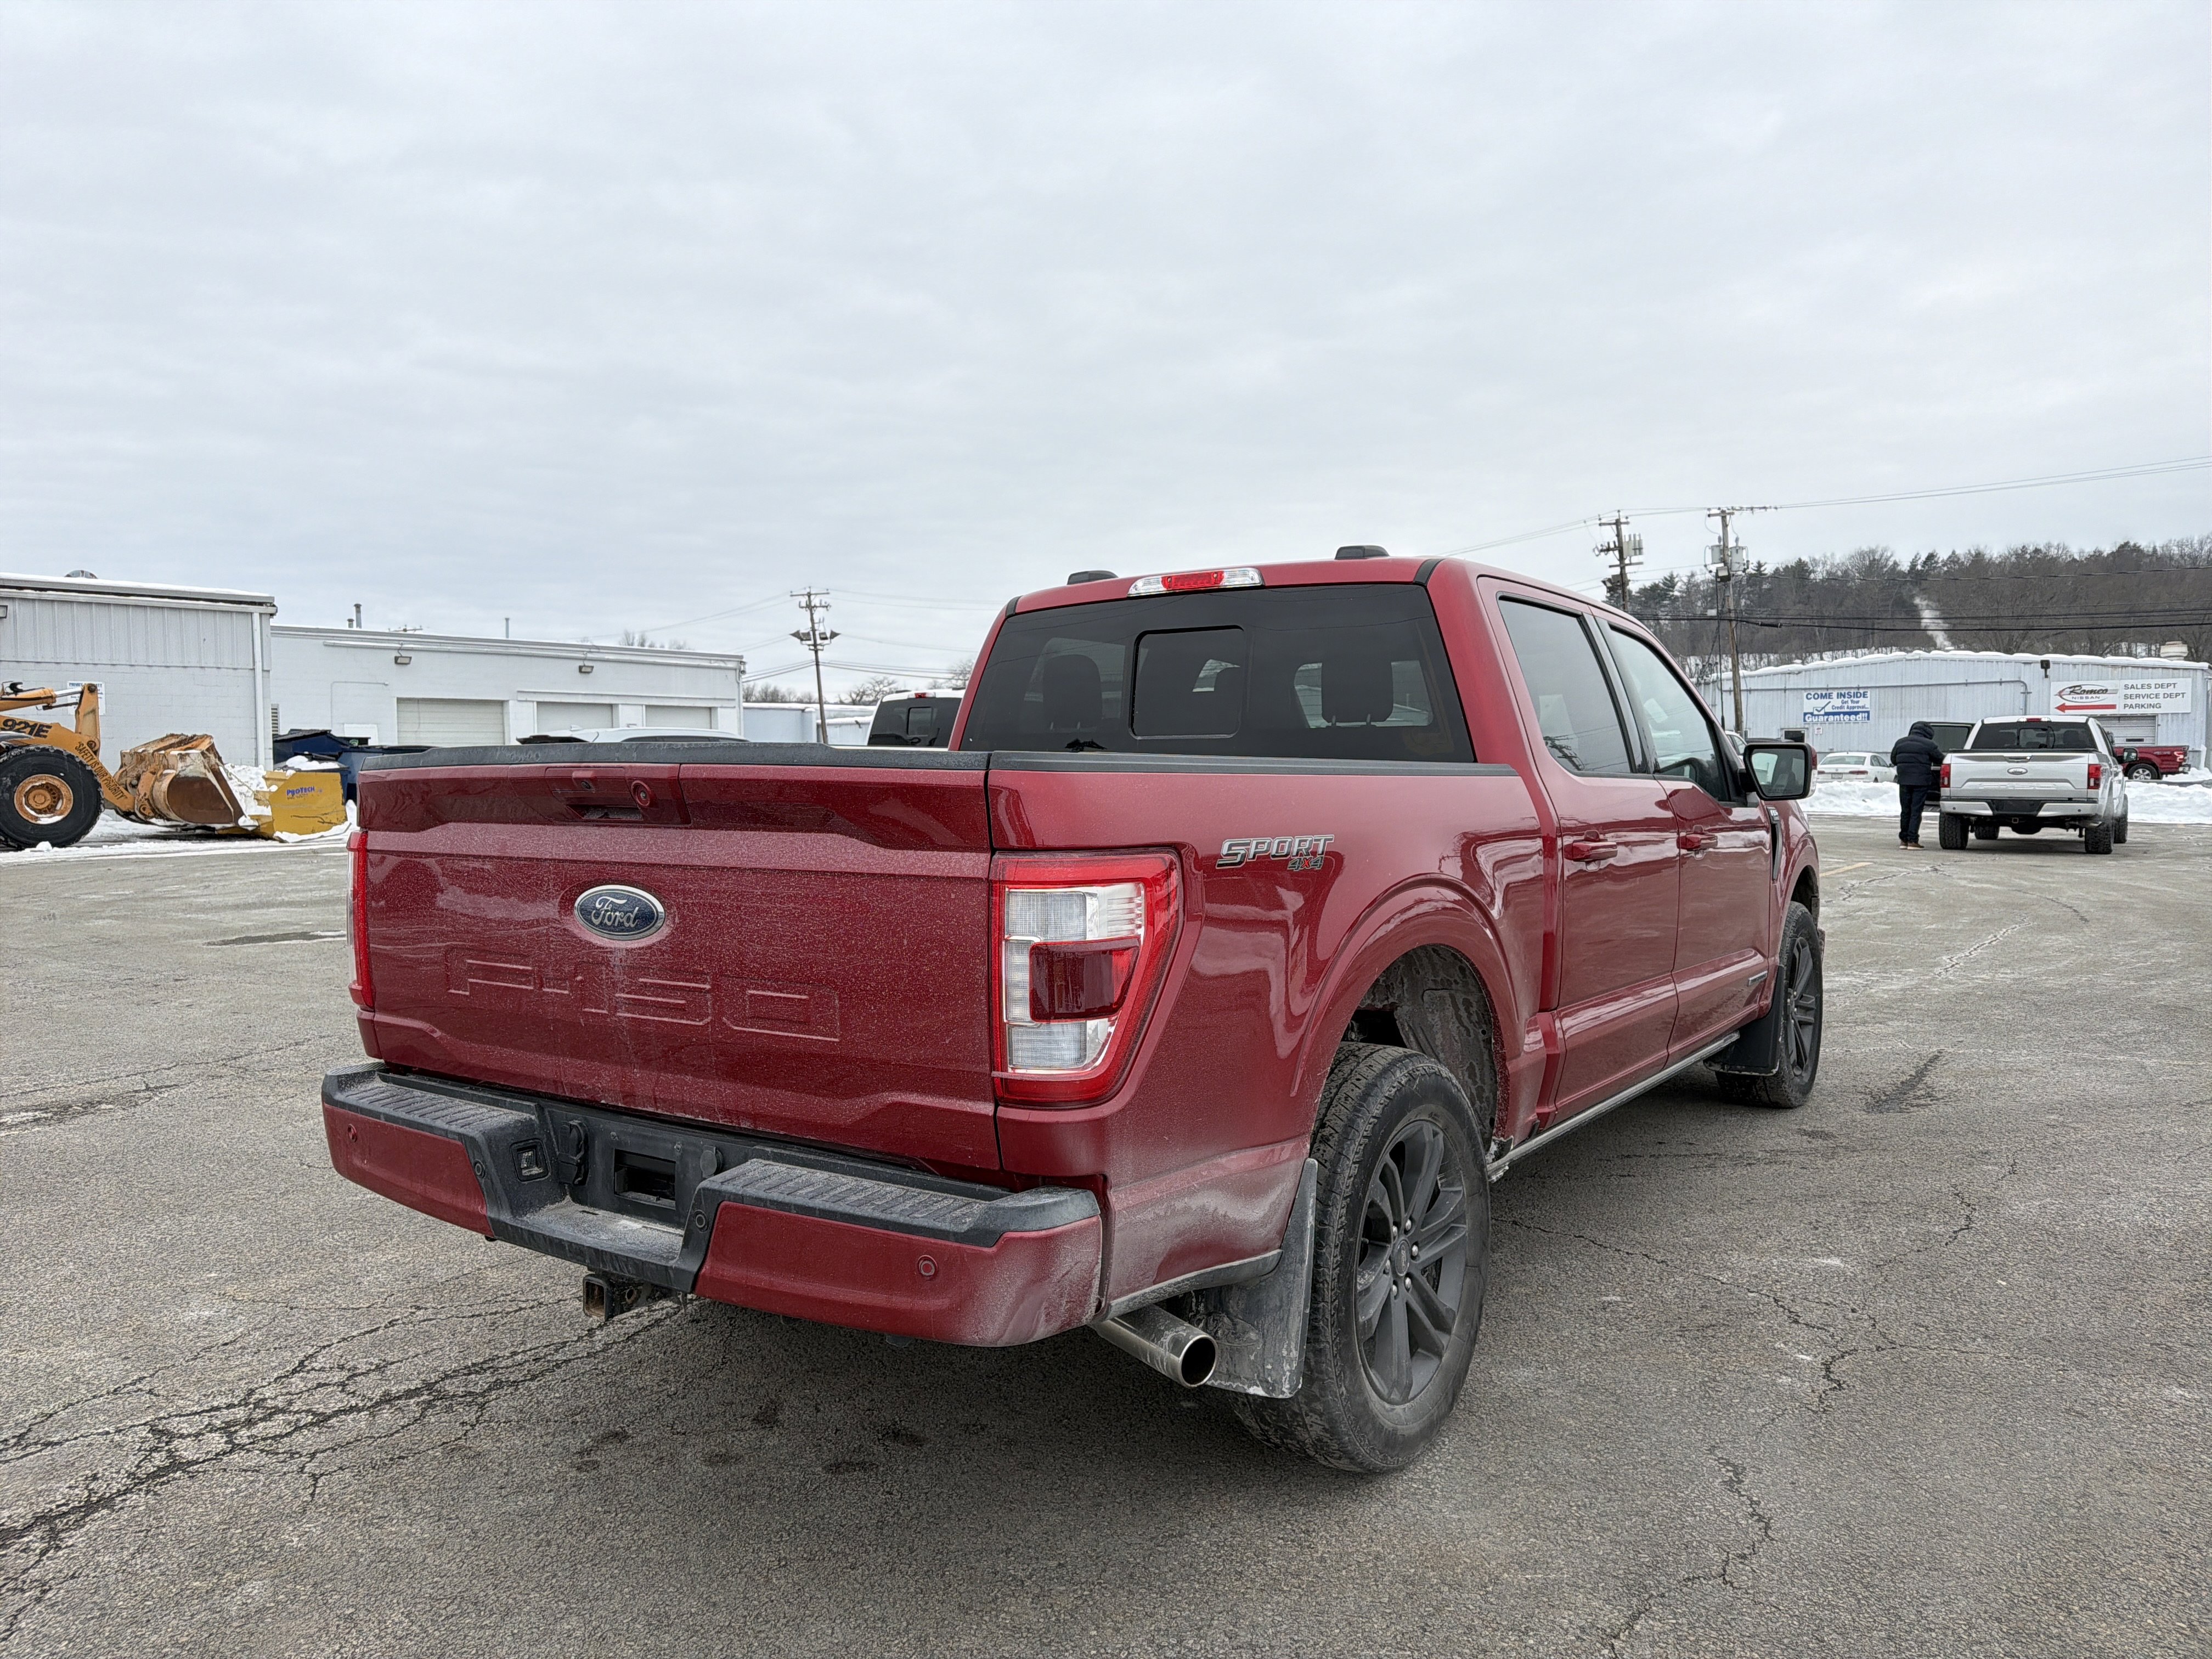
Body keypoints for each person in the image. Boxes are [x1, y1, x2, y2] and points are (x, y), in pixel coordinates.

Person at [1888, 720, 1945, 848]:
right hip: (1921, 783)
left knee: (1905, 810)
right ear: (1928, 733)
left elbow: (1893, 759)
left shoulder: (1900, 743)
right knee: (1916, 811)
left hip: (1904, 781)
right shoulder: (1929, 745)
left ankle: (1904, 841)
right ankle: (1913, 841)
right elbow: (1941, 760)